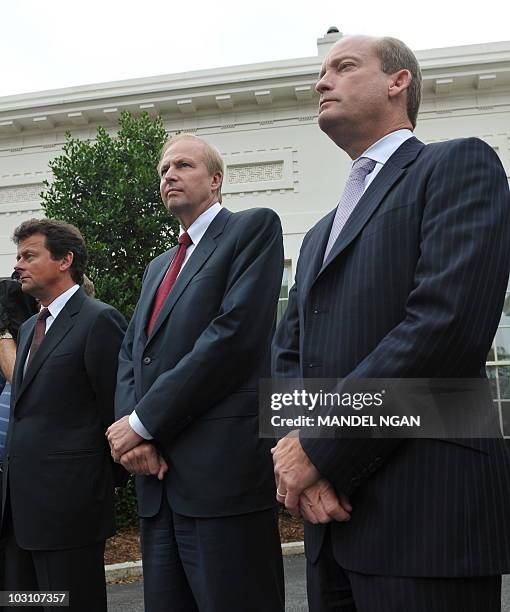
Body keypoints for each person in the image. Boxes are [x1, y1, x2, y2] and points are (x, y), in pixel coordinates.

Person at [271, 35, 510, 611]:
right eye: (320, 72)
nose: (321, 81)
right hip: (328, 523)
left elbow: (444, 327)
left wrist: (322, 449)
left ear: (398, 81)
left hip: (425, 514)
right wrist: (295, 454)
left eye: (343, 67)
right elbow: (289, 353)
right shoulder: (319, 233)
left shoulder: (456, 165)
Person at [109, 134, 285, 612]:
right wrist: (134, 435)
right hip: (157, 482)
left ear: (215, 180)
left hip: (220, 479)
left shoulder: (253, 230)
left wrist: (143, 422)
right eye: (163, 168)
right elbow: (132, 353)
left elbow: (231, 338)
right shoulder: (158, 266)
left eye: (182, 165)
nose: (168, 174)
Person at [0, 219, 127, 611]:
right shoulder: (27, 327)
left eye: (29, 255)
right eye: (17, 256)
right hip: (17, 515)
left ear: (64, 260)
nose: (18, 265)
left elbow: (116, 408)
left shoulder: (98, 321)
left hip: (68, 513)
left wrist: (103, 483)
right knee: (22, 602)